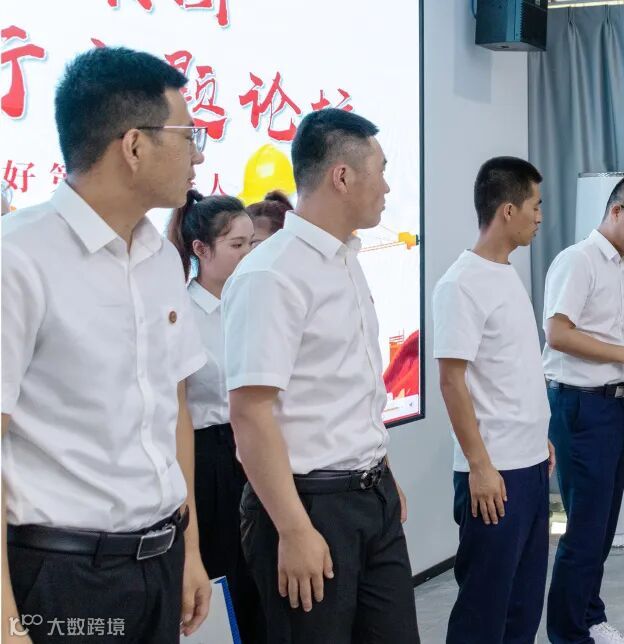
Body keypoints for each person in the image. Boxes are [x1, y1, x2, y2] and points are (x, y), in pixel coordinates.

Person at [1, 47, 210, 643]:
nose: (198, 155)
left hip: (160, 559)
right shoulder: (18, 257)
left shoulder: (160, 257)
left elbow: (173, 410)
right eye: (188, 136)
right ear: (134, 145)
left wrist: (190, 549)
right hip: (62, 576)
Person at [224, 108, 419, 644]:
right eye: (381, 171)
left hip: (371, 497)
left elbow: (349, 388)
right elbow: (250, 413)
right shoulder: (271, 273)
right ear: (342, 176)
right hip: (309, 506)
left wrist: (381, 471)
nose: (387, 187)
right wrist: (293, 529)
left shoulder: (346, 259)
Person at [542, 174, 624, 644]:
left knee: (601, 528)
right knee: (585, 530)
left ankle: (590, 619)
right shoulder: (578, 261)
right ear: (617, 210)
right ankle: (569, 634)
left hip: (612, 404)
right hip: (579, 407)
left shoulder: (623, 265)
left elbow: (606, 342)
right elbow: (558, 334)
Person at [434, 156, 554, 644]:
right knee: (484, 611)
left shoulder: (505, 272)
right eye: (535, 205)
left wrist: (539, 438)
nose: (540, 216)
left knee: (523, 607)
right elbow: (451, 381)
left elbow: (511, 371)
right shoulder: (461, 283)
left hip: (529, 463)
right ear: (508, 210)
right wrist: (480, 466)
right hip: (495, 473)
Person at [167, 190, 265, 643]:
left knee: (267, 574)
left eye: (251, 243)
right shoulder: (182, 312)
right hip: (210, 458)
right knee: (228, 575)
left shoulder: (257, 301)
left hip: (259, 446)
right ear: (200, 250)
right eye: (236, 245)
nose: (248, 253)